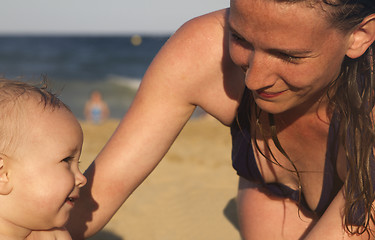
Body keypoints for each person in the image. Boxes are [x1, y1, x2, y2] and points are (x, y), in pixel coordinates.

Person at [29, 0, 375, 239]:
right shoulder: (201, 50)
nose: (253, 80)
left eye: (287, 55)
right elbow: (98, 194)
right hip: (276, 195)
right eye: (240, 38)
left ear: (359, 36)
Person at [0, 79, 87, 239]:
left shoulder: (55, 235)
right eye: (66, 160)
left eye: (77, 163)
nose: (82, 179)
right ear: (3, 174)